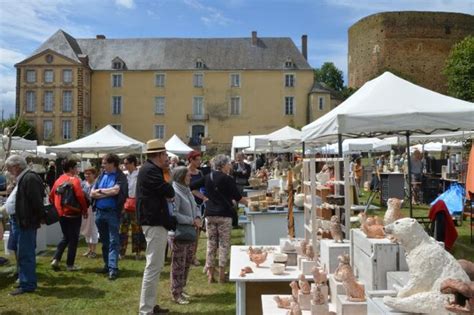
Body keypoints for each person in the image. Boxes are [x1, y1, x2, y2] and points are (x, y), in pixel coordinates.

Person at [190, 154, 248, 284]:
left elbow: (191, 187)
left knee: (211, 244)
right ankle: (222, 274)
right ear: (222, 165)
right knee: (223, 244)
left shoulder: (207, 177)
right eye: (228, 163)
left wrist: (204, 198)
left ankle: (210, 275)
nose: (230, 166)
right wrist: (252, 204)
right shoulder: (227, 179)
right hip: (224, 215)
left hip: (210, 215)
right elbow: (239, 198)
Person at [137, 139, 176, 315]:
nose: (167, 157)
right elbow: (169, 191)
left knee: (156, 265)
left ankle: (150, 306)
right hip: (153, 222)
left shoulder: (152, 170)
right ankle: (146, 310)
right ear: (159, 155)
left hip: (155, 221)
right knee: (153, 266)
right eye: (165, 154)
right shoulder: (151, 171)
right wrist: (167, 175)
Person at [5, 155, 44, 295]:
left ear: (16, 166)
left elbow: (37, 202)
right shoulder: (24, 177)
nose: (8, 171)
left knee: (26, 254)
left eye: (9, 168)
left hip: (25, 222)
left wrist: (35, 219)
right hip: (20, 221)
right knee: (22, 253)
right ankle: (24, 281)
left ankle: (28, 284)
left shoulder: (29, 178)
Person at [90, 153, 128, 280]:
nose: (103, 165)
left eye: (105, 163)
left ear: (112, 164)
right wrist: (106, 192)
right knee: (105, 241)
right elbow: (92, 193)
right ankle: (107, 265)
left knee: (113, 241)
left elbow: (116, 191)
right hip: (100, 213)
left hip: (112, 213)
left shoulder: (120, 176)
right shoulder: (101, 175)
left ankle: (113, 268)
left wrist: (100, 192)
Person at [170, 166, 202, 304]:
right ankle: (176, 293)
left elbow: (195, 206)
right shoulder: (175, 192)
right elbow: (174, 213)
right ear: (181, 176)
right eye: (188, 175)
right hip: (179, 232)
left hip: (190, 231)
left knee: (187, 261)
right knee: (178, 264)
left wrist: (198, 217)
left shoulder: (187, 190)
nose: (190, 177)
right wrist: (191, 220)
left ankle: (181, 289)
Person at [50, 159, 89, 271]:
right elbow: (80, 197)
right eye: (76, 167)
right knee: (73, 239)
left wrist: (58, 206)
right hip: (73, 213)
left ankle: (56, 259)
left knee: (66, 237)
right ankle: (70, 264)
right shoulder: (75, 180)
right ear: (71, 169)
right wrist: (85, 210)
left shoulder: (58, 180)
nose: (77, 169)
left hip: (61, 213)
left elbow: (51, 195)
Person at [119, 154, 145, 260]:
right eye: (124, 163)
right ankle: (121, 252)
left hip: (136, 205)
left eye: (126, 163)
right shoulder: (124, 175)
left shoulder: (140, 175)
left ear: (133, 163)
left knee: (137, 230)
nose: (124, 165)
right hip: (125, 205)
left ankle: (138, 252)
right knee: (123, 229)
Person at [187, 151, 208, 267]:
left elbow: (202, 187)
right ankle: (187, 255)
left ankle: (193, 256)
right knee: (188, 231)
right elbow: (191, 189)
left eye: (200, 159)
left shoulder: (199, 172)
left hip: (198, 205)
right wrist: (204, 197)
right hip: (187, 205)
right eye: (197, 160)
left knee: (197, 232)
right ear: (191, 160)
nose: (200, 161)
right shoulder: (185, 172)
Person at [80, 166, 99, 258]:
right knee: (86, 229)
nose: (87, 175)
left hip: (94, 209)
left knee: (93, 229)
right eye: (85, 174)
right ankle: (89, 249)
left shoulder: (97, 184)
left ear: (94, 175)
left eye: (89, 174)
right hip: (84, 209)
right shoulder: (83, 184)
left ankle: (94, 250)